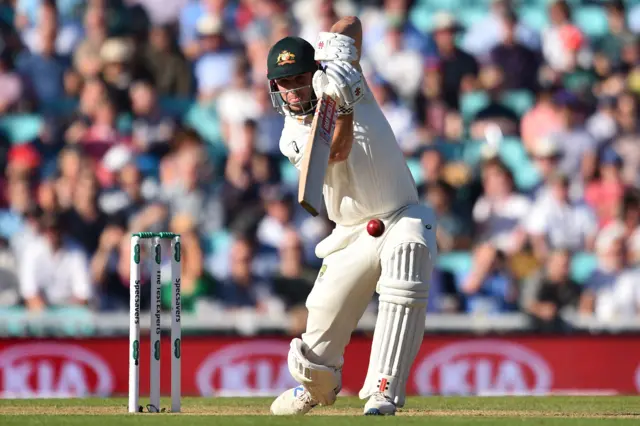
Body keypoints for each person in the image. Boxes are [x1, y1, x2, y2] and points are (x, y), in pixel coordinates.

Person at [266, 17, 437, 416]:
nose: (291, 90)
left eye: (297, 79)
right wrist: (342, 109)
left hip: (400, 215)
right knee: (319, 329)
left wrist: (344, 61)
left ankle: (383, 390)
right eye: (283, 83)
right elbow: (335, 152)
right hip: (350, 233)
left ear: (313, 73)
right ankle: (316, 386)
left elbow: (352, 23)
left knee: (409, 252)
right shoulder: (290, 134)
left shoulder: (347, 82)